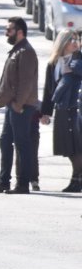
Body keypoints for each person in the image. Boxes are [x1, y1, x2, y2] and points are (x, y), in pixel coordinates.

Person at [0, 17, 39, 194]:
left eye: (9, 30)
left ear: (20, 32)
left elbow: (26, 82)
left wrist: (18, 104)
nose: (6, 32)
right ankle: (4, 182)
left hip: (21, 106)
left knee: (22, 143)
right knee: (5, 140)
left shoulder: (26, 51)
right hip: (13, 105)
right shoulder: (17, 50)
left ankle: (23, 184)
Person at [40, 29, 82, 192]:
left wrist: (74, 67)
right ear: (62, 42)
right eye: (71, 39)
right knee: (67, 148)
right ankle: (77, 178)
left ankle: (77, 179)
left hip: (76, 109)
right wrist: (45, 112)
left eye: (77, 39)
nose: (75, 42)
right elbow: (49, 90)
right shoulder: (53, 63)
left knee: (77, 146)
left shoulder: (78, 59)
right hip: (62, 108)